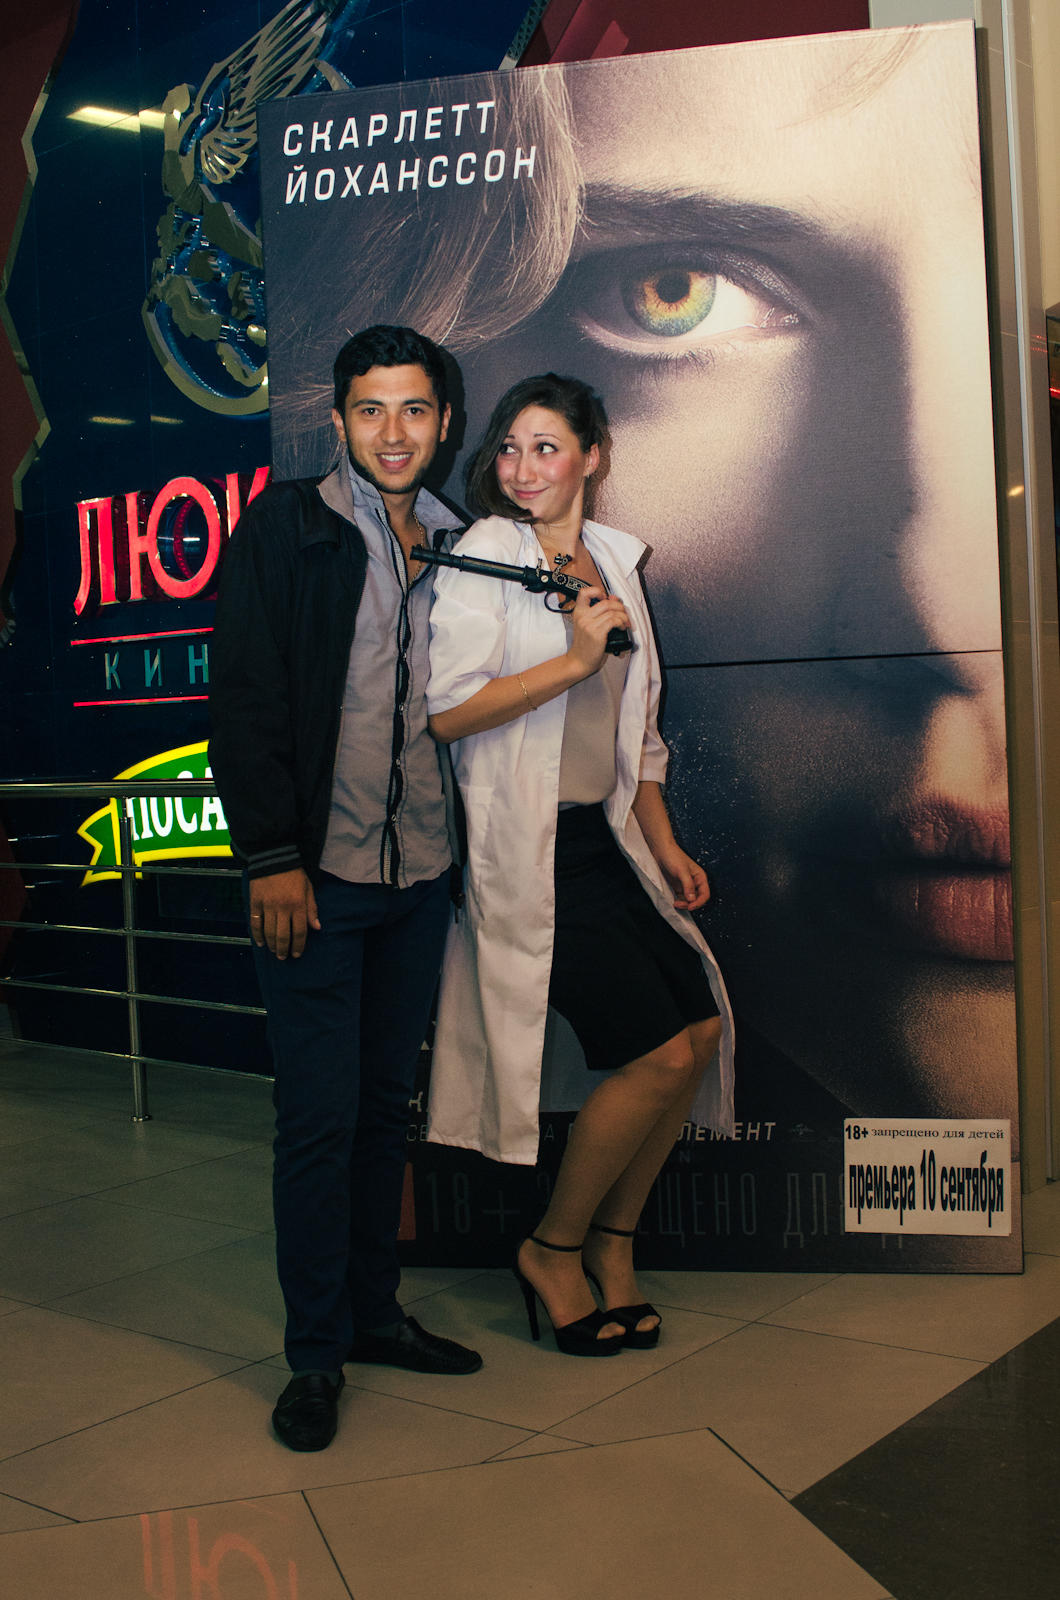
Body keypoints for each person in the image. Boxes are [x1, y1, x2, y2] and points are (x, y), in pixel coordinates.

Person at [209, 324, 481, 1454]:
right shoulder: (288, 526)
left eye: (413, 409)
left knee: (380, 1114)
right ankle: (314, 1355)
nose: (393, 432)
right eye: (371, 410)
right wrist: (270, 856)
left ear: (444, 423)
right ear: (338, 421)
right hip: (315, 881)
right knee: (317, 1123)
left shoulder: (465, 545)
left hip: (418, 878)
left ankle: (374, 1316)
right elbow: (245, 696)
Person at [425, 373, 734, 1352]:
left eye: (547, 447)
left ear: (593, 456)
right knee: (655, 1052)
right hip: (531, 849)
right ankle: (552, 1248)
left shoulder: (612, 560)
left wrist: (664, 841)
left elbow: (635, 732)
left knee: (698, 1033)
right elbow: (446, 711)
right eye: (510, 448)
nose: (523, 468)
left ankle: (612, 1242)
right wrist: (568, 659)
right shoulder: (485, 554)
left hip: (605, 843)